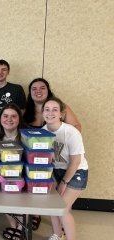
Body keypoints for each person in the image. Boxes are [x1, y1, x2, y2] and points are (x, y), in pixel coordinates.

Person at [23, 78, 82, 231]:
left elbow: (76, 127)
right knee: (41, 188)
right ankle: (37, 215)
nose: (38, 91)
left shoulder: (59, 107)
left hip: (62, 160)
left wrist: (65, 149)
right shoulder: (25, 111)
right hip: (38, 160)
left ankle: (64, 226)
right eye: (34, 88)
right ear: (29, 93)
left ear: (48, 90)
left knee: (62, 199)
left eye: (42, 88)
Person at [41, 96, 88, 240]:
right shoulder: (43, 131)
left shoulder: (71, 132)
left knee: (62, 208)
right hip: (57, 171)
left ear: (61, 114)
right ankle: (57, 235)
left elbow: (75, 162)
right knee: (53, 205)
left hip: (76, 172)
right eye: (47, 109)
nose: (50, 113)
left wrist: (64, 183)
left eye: (55, 110)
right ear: (42, 113)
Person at [0, 104, 27, 240]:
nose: (9, 119)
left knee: (26, 198)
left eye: (13, 116)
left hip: (24, 177)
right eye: (5, 116)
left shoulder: (25, 138)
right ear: (0, 118)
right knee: (4, 196)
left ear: (19, 119)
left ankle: (22, 228)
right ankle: (14, 225)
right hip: (4, 179)